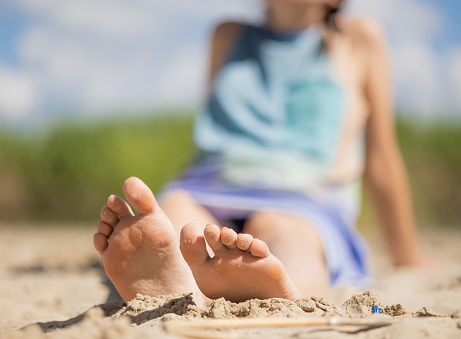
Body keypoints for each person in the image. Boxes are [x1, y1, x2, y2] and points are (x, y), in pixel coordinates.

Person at [93, 0, 422, 307]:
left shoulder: (358, 39)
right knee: (181, 216)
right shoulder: (227, 35)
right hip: (211, 183)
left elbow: (381, 155)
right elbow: (212, 137)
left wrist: (407, 255)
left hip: (303, 197)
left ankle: (280, 286)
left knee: (284, 231)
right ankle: (175, 285)